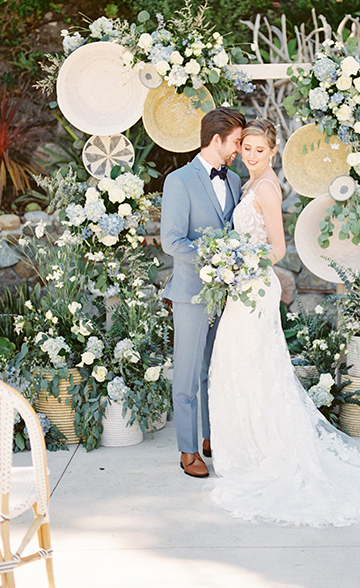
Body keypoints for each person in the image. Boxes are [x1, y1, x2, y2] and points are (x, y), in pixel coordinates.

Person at [208, 118, 360, 526]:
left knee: (254, 366)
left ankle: (268, 450)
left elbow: (277, 248)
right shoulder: (248, 184)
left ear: (273, 152)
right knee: (241, 366)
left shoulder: (268, 188)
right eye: (246, 148)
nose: (251, 155)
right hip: (241, 286)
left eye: (259, 150)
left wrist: (237, 263)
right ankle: (248, 446)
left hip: (253, 286)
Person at [160, 106, 246, 478]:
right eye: (237, 143)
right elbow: (172, 241)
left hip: (225, 295)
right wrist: (214, 258)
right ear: (217, 140)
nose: (239, 151)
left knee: (216, 369)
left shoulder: (235, 182)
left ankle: (211, 438)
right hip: (192, 293)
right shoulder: (179, 181)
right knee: (188, 373)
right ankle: (188, 450)